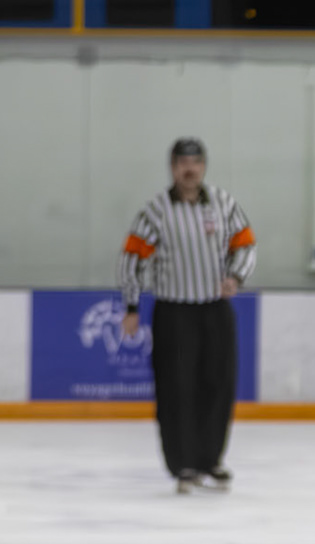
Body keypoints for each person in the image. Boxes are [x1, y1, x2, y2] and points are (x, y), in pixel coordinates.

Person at [117, 137, 255, 494]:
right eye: (182, 163)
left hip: (215, 310)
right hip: (174, 312)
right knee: (177, 389)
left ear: (204, 166)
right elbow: (132, 258)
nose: (189, 170)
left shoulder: (223, 204)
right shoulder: (156, 211)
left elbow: (245, 244)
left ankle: (211, 460)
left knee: (218, 385)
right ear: (173, 167)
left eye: (195, 163)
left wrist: (236, 276)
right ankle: (183, 464)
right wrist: (131, 306)